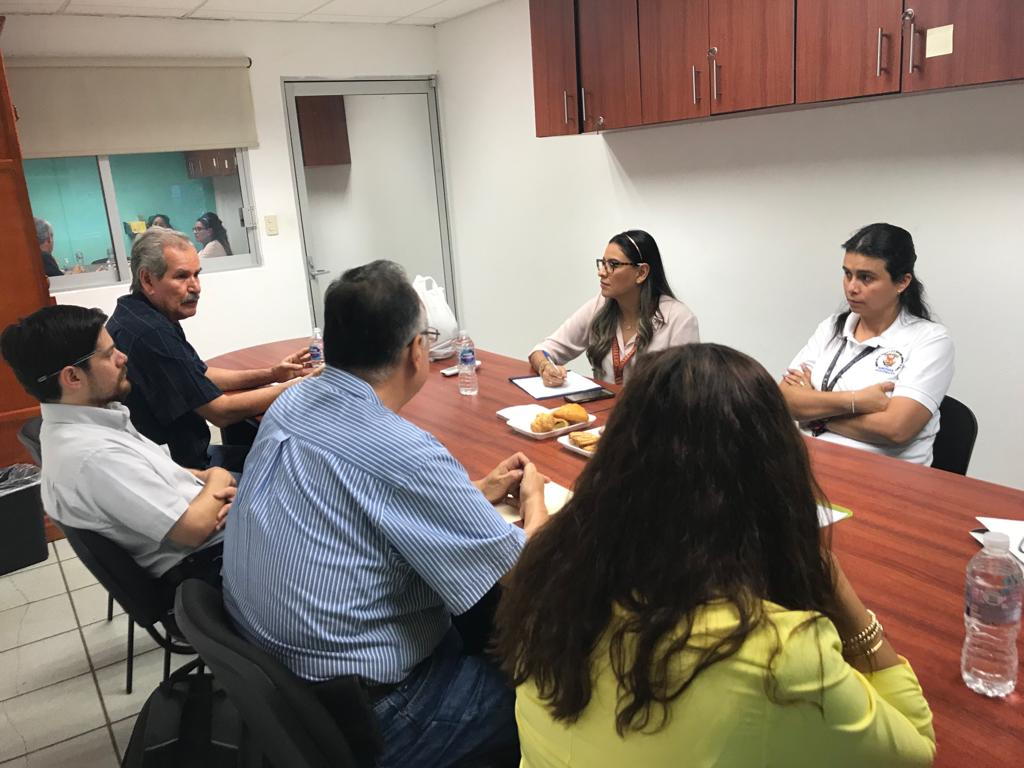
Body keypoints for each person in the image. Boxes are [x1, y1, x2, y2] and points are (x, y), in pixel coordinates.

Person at [495, 344, 936, 768]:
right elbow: (913, 750)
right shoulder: (777, 650)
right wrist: (846, 604)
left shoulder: (545, 571)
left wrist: (535, 505)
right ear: (776, 475)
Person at [223, 260, 550, 768]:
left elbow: (362, 499)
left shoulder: (292, 402)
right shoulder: (403, 451)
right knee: (551, 690)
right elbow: (528, 572)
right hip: (377, 712)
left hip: (284, 684)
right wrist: (535, 501)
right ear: (417, 351)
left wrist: (474, 493)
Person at [0, 305, 234, 589]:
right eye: (109, 354)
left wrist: (206, 479)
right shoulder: (93, 457)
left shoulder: (92, 417)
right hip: (212, 559)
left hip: (211, 514)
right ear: (73, 377)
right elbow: (193, 530)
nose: (123, 357)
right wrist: (219, 476)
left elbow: (155, 469)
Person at [107, 227, 311, 470]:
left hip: (175, 458)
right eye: (182, 277)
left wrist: (272, 374)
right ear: (148, 280)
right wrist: (300, 386)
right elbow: (220, 412)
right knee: (295, 466)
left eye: (196, 275)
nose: (196, 287)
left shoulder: (137, 313)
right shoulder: (151, 332)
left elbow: (199, 375)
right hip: (182, 471)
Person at [781, 223, 954, 465]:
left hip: (882, 475)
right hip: (809, 461)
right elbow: (785, 400)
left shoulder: (930, 340)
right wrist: (857, 401)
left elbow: (896, 429)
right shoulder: (831, 327)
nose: (852, 287)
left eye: (866, 278)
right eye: (847, 274)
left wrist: (815, 412)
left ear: (902, 282)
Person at [529, 230, 698, 386]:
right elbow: (542, 350)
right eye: (602, 263)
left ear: (641, 273)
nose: (602, 272)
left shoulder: (679, 319)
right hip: (603, 407)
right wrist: (546, 367)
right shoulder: (600, 305)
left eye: (613, 264)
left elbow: (686, 392)